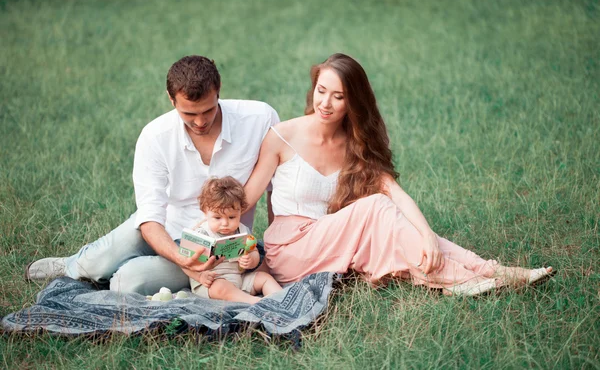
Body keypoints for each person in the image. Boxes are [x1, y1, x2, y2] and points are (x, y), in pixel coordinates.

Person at [243, 53, 553, 296]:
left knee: (394, 220)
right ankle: (461, 278)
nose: (325, 103)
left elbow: (394, 191)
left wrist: (428, 236)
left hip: (327, 238)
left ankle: (489, 270)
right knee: (375, 207)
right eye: (321, 91)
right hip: (289, 251)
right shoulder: (282, 136)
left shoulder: (354, 145)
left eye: (338, 96)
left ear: (352, 102)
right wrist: (207, 231)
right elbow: (245, 200)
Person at [25, 55, 280, 295]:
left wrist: (271, 250)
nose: (200, 121)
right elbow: (149, 216)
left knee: (126, 282)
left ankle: (131, 274)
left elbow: (275, 190)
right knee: (96, 263)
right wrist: (180, 259)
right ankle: (74, 266)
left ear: (219, 91)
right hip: (166, 226)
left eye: (208, 110)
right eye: (189, 114)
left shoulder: (259, 118)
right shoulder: (155, 136)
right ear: (171, 99)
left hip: (221, 243)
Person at [185, 176, 282, 304]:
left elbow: (253, 251)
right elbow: (184, 263)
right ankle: (256, 302)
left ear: (240, 211)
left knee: (264, 278)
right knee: (221, 287)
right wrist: (200, 276)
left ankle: (281, 299)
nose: (225, 223)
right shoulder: (201, 233)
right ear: (205, 212)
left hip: (240, 279)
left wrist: (251, 260)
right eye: (217, 217)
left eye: (231, 217)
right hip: (212, 283)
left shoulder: (242, 230)